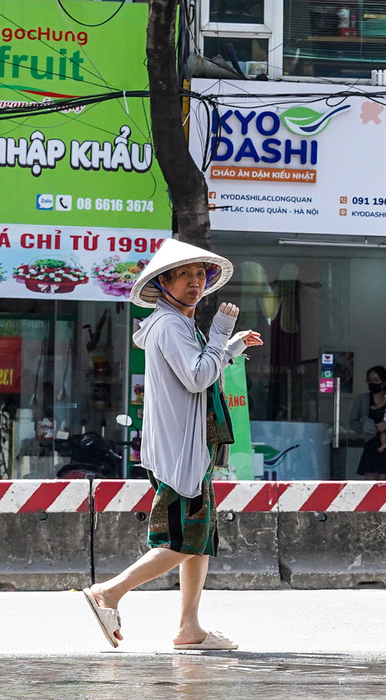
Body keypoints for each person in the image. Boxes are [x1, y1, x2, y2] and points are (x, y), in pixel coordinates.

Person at [81, 239, 263, 652]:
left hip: (191, 449)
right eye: (184, 275)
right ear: (163, 282)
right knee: (182, 541)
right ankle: (108, 592)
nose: (195, 282)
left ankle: (189, 627)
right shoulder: (168, 325)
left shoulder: (179, 324)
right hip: (182, 452)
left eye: (200, 274)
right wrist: (221, 333)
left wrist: (230, 346)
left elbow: (202, 368)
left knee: (200, 540)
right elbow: (198, 378)